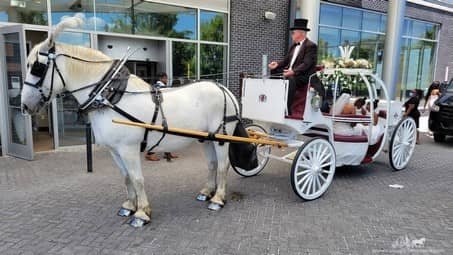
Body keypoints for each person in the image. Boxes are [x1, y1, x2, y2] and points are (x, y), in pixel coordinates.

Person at [268, 18, 319, 116]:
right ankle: (273, 100)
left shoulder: (311, 46)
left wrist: (293, 71)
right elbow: (286, 60)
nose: (292, 35)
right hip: (292, 73)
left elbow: (306, 64)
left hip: (303, 76)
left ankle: (286, 108)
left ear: (301, 33)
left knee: (290, 79)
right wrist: (277, 64)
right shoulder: (293, 46)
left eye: (293, 33)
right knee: (275, 71)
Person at [145, 72, 178, 162]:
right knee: (158, 133)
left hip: (159, 112)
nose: (167, 80)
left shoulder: (155, 86)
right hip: (162, 112)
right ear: (162, 78)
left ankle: (167, 153)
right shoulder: (162, 87)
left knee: (166, 133)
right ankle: (149, 154)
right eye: (166, 78)